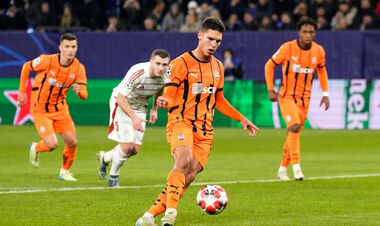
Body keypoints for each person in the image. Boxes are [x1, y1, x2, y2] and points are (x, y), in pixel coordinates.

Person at [136, 17, 259, 226]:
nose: (214, 45)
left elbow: (219, 99)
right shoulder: (180, 63)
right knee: (183, 162)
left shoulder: (219, 67)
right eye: (210, 39)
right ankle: (170, 215)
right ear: (200, 35)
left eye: (218, 41)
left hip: (205, 130)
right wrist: (166, 99)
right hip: (181, 121)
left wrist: (242, 118)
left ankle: (148, 216)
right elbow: (171, 92)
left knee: (190, 173)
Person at [264, 17, 330, 181]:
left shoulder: (318, 51)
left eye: (311, 32)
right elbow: (269, 65)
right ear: (299, 33)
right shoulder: (287, 48)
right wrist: (270, 89)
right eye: (305, 32)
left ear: (315, 33)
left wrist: (326, 93)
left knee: (293, 134)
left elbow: (322, 71)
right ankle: (297, 168)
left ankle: (282, 170)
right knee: (293, 127)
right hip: (286, 97)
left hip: (304, 100)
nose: (308, 35)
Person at [17, 33, 88, 181]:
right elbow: (26, 67)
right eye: (67, 46)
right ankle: (35, 147)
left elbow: (84, 95)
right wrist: (22, 92)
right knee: (52, 144)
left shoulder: (78, 68)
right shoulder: (46, 61)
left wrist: (79, 92)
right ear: (60, 47)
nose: (70, 50)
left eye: (73, 47)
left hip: (61, 109)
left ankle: (64, 172)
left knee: (72, 142)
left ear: (77, 48)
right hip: (40, 109)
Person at [97, 49, 170, 187]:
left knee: (134, 149)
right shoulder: (138, 72)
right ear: (151, 62)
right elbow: (120, 97)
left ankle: (105, 158)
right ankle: (113, 179)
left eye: (164, 64)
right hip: (122, 104)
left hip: (140, 107)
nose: (161, 68)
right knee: (127, 146)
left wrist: (154, 109)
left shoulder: (165, 75)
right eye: (158, 63)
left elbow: (160, 88)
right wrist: (134, 117)